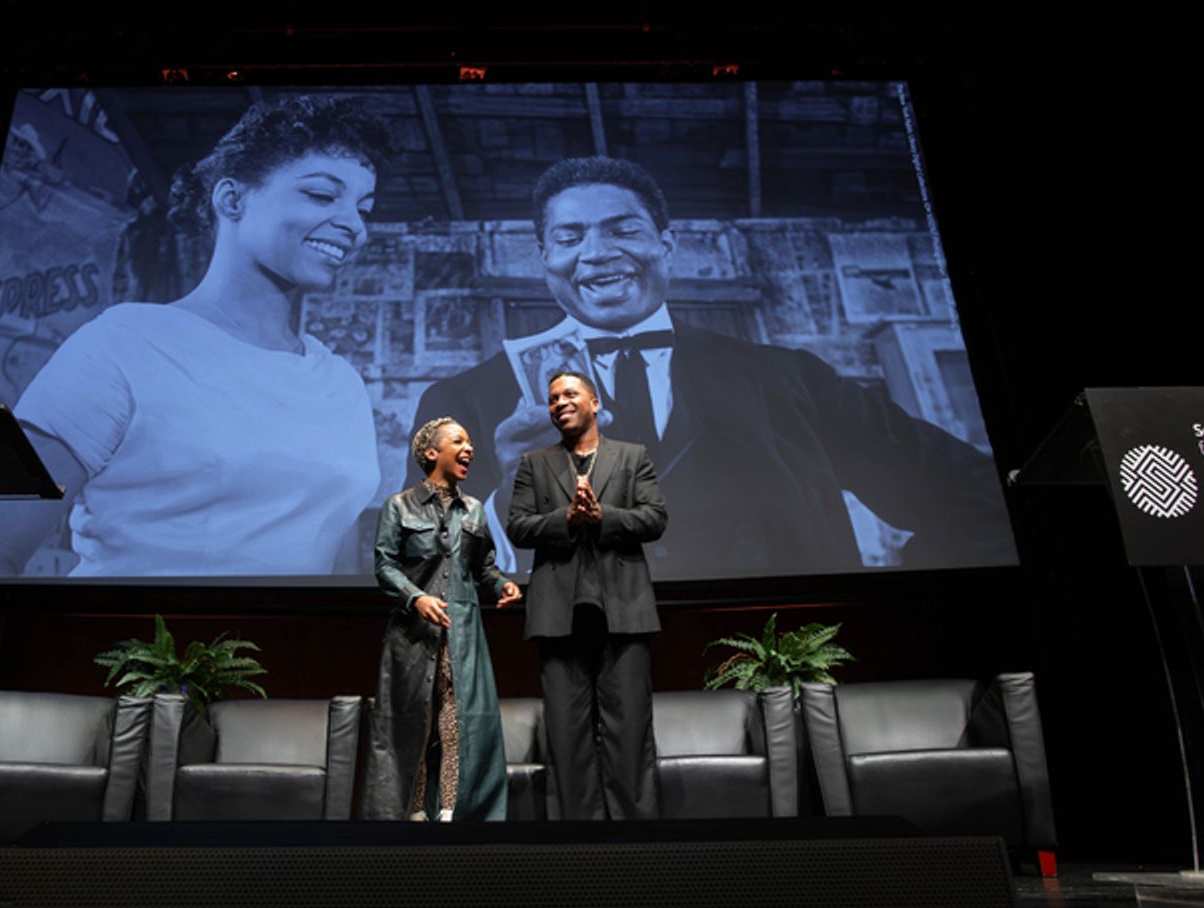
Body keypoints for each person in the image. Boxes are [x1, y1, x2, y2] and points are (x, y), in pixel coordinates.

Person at [408, 156, 1017, 581]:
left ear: (667, 245)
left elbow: (976, 496)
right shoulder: (463, 400)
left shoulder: (791, 378)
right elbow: (422, 570)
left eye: (623, 229)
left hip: (776, 669)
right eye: (569, 238)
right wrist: (505, 503)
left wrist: (892, 598)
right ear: (545, 259)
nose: (596, 253)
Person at [0, 96, 392, 577]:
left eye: (363, 208)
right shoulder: (121, 345)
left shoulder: (341, 383)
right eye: (322, 196)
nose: (354, 225)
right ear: (232, 200)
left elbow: (332, 566)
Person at [506, 371, 666, 819]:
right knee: (566, 734)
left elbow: (654, 518)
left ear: (595, 403)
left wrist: (601, 517)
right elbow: (518, 527)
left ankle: (635, 835)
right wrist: (567, 519)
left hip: (624, 611)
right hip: (560, 615)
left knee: (629, 728)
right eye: (553, 398)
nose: (560, 402)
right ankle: (577, 836)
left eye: (570, 394)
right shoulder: (534, 464)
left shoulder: (632, 457)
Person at [364, 417, 522, 821]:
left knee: (457, 717)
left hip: (463, 631)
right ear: (432, 452)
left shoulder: (474, 510)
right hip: (413, 633)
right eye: (458, 441)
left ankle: (452, 807)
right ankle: (415, 808)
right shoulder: (398, 506)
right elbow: (385, 566)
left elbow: (483, 568)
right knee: (415, 720)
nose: (469, 448)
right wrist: (416, 598)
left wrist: (502, 584)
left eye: (470, 442)